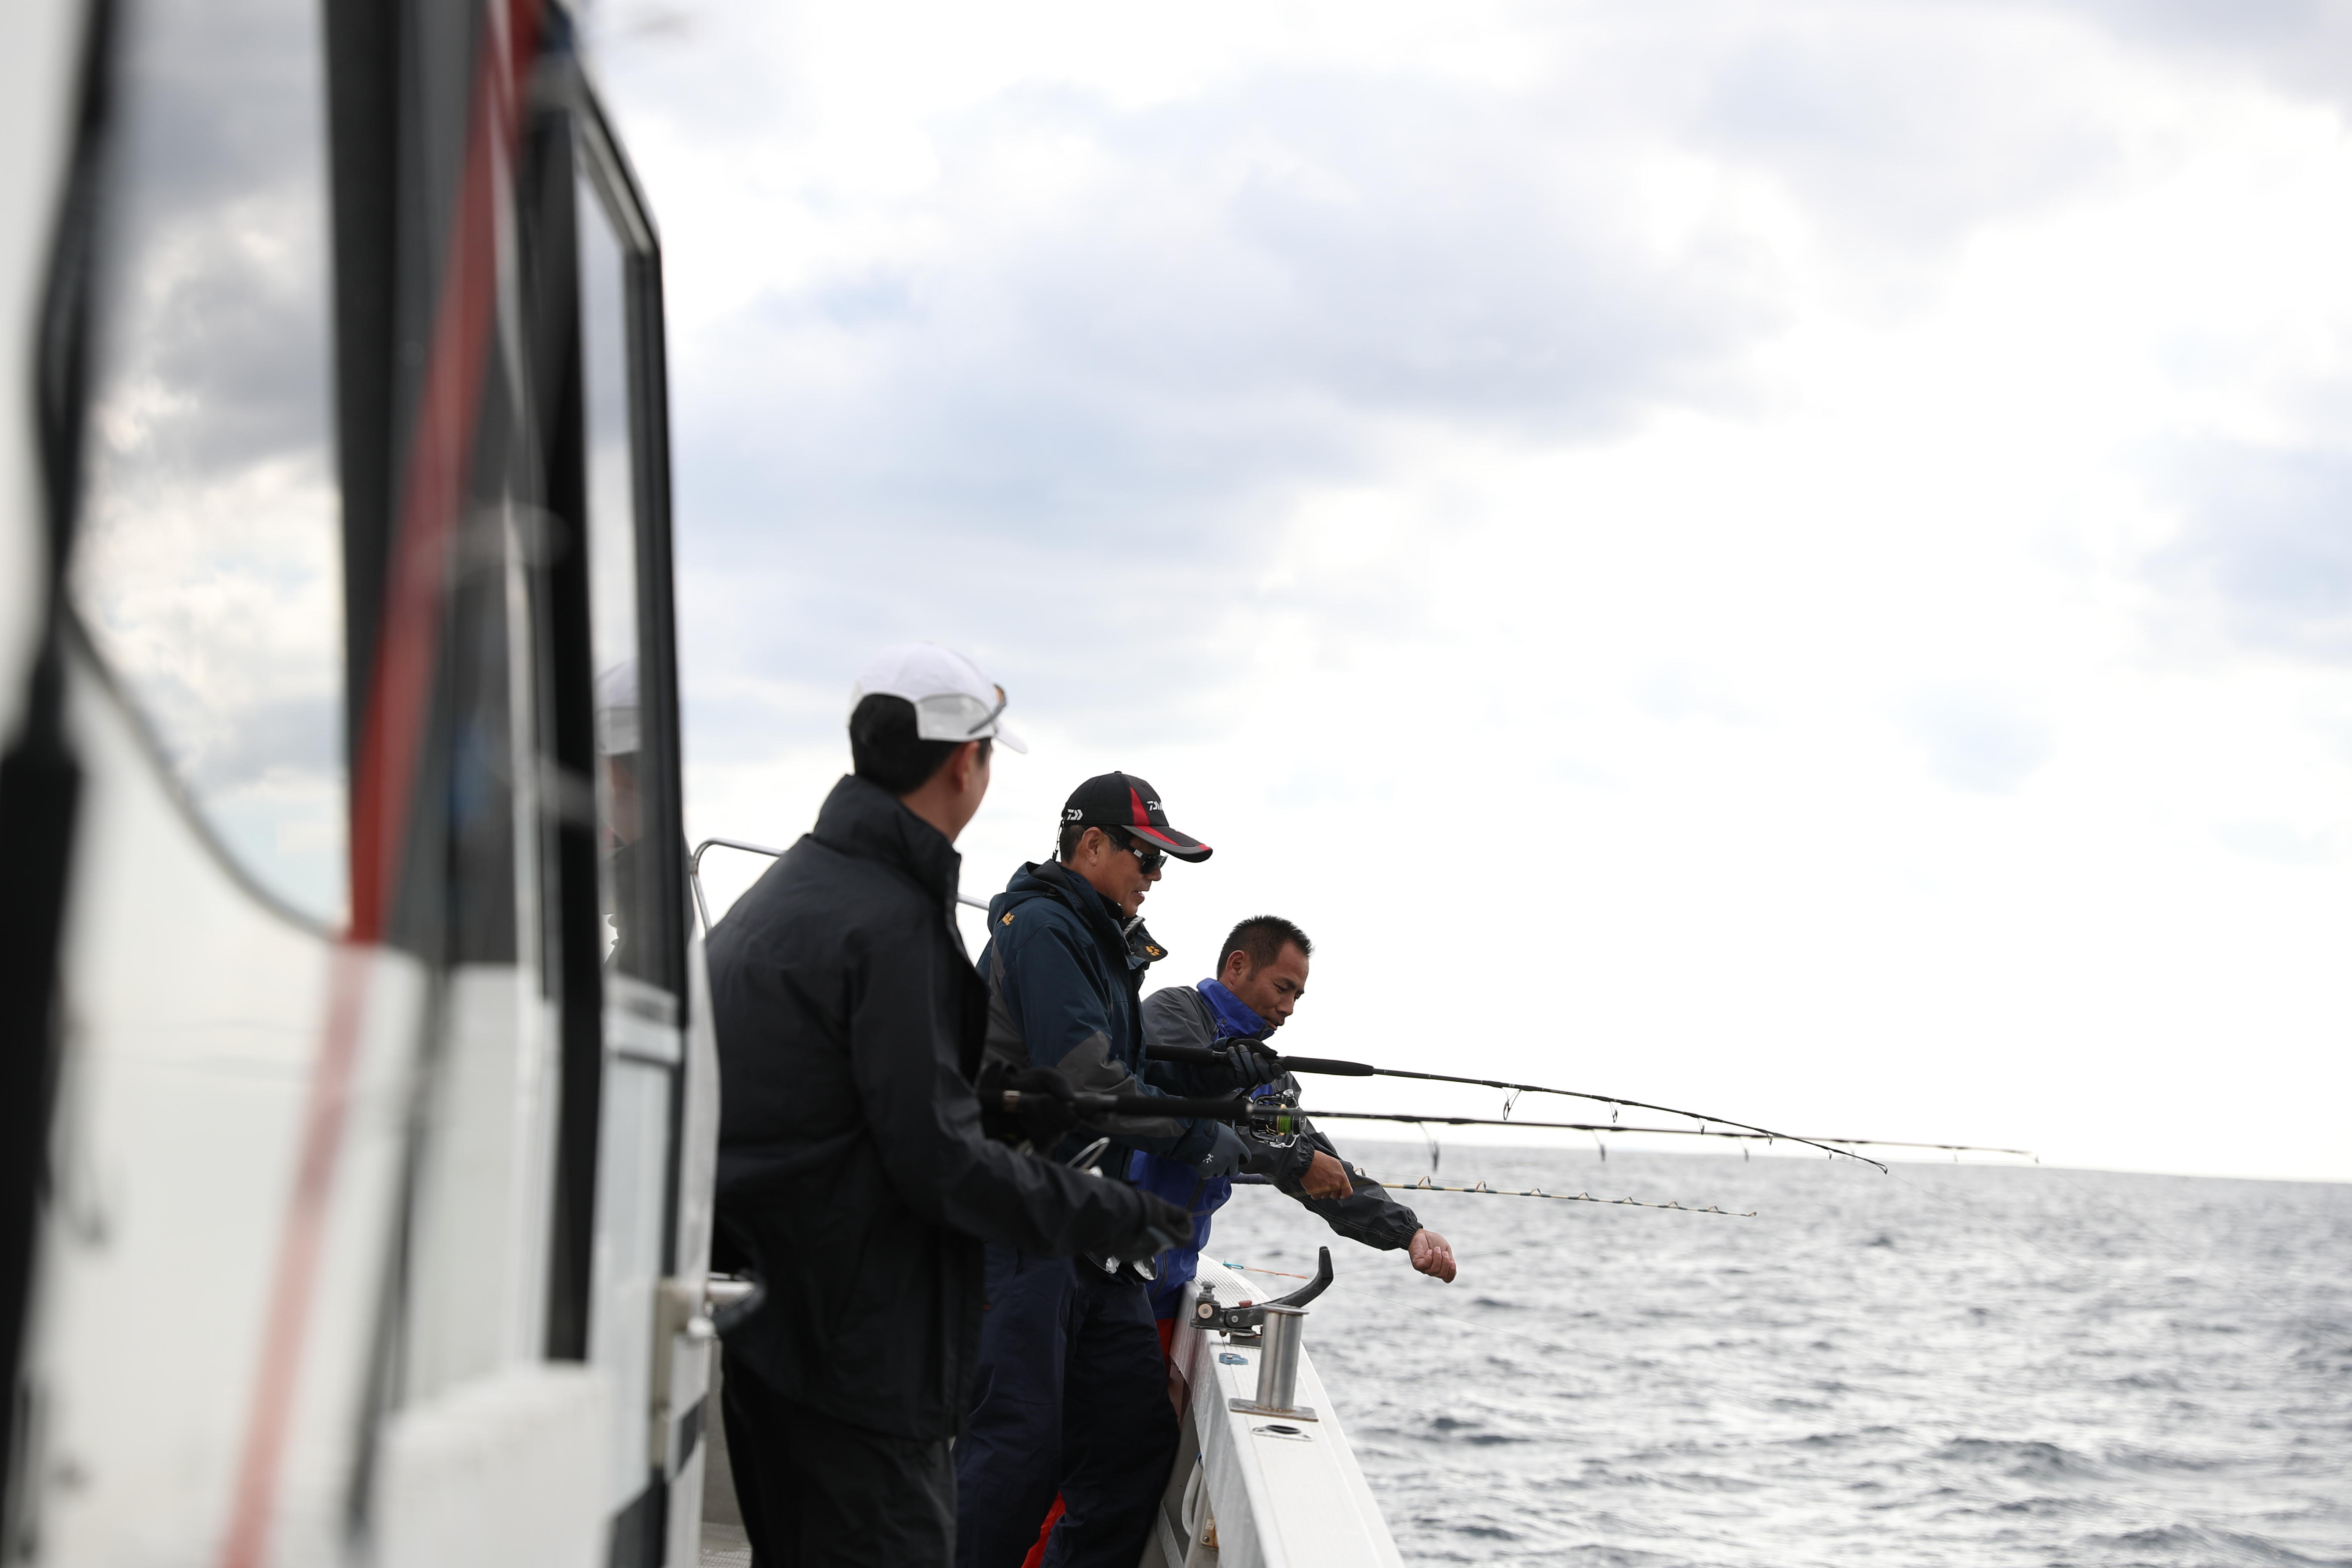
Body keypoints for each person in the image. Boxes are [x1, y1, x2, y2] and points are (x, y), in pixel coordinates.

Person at [707, 648, 1191, 1568]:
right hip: (858, 1359)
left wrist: (1001, 1102)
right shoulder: (889, 917)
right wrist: (1120, 1210)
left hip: (785, 1341)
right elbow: (935, 1162)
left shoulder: (792, 895)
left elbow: (851, 1104)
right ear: (966, 764)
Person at [954, 772, 1248, 1568]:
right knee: (1013, 1453)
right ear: (1092, 846)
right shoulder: (1045, 928)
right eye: (1146, 860)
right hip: (1023, 1227)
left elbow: (1124, 1059)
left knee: (1129, 1450)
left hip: (1094, 1242)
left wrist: (1219, 1080)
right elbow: (1089, 1082)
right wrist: (1207, 1139)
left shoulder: (1103, 941)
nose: (1154, 880)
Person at [1136, 914, 1458, 1323]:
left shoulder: (1271, 1080)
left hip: (1167, 1285)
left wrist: (1408, 1232)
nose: (1288, 1009)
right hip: (1103, 1265)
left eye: (1298, 997)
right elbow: (1187, 1110)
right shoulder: (1174, 1012)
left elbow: (1315, 1162)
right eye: (1282, 988)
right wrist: (1300, 1160)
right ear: (1237, 967)